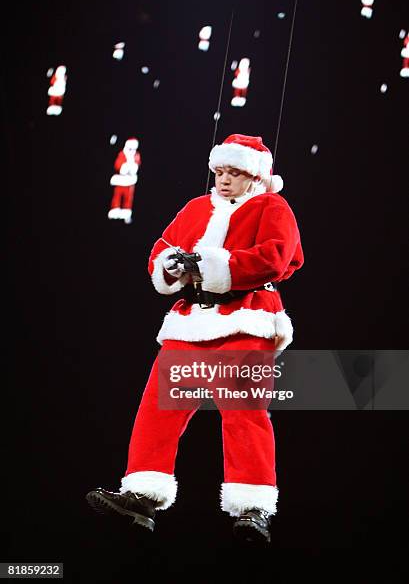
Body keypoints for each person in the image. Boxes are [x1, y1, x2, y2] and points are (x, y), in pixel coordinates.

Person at [87, 133, 304, 543]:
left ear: (254, 176)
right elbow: (162, 249)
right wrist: (172, 264)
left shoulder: (273, 206)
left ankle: (254, 506)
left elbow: (278, 256)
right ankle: (142, 495)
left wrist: (213, 264)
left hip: (247, 317)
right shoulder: (196, 207)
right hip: (192, 319)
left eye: (234, 173)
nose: (223, 180)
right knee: (157, 408)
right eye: (220, 171)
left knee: (243, 412)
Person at [108, 138, 141, 224]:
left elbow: (137, 163)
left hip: (130, 181)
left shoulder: (136, 155)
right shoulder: (122, 154)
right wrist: (125, 167)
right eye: (130, 148)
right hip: (121, 179)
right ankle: (115, 210)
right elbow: (118, 165)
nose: (131, 151)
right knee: (117, 195)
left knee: (128, 198)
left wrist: (133, 167)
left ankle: (126, 213)